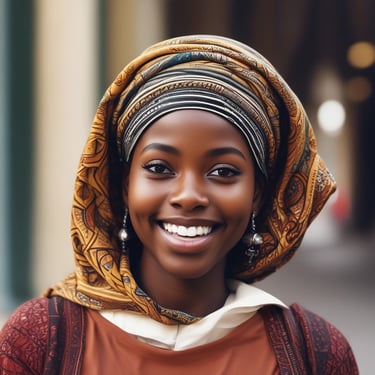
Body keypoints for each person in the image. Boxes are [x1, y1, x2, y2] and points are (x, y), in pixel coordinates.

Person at [0, 35, 358, 374]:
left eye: (223, 171)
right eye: (159, 168)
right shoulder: (40, 342)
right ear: (125, 186)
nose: (188, 196)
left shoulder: (314, 355)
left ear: (257, 196)